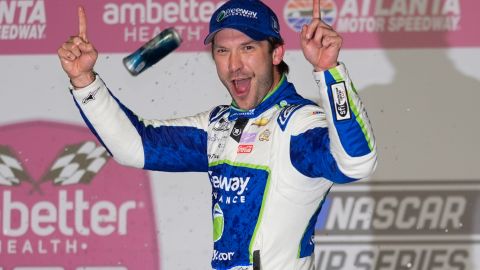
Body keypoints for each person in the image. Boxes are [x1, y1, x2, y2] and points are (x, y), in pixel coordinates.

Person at [58, 0, 377, 269]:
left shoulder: (298, 123)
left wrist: (329, 71)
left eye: (248, 48)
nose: (234, 65)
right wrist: (85, 81)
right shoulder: (217, 126)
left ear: (276, 53)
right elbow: (133, 146)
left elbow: (356, 163)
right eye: (222, 51)